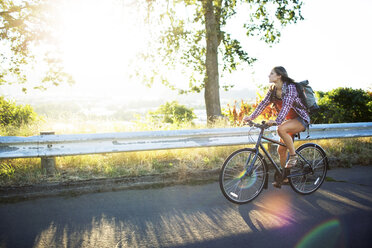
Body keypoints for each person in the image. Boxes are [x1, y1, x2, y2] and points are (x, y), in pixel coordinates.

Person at [243, 66, 310, 187]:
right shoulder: (273, 89)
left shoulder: (291, 88)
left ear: (279, 75)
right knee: (281, 150)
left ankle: (294, 157)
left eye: (271, 73)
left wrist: (277, 121)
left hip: (301, 119)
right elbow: (263, 104)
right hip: (289, 120)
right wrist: (250, 117)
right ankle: (285, 177)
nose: (269, 75)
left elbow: (287, 106)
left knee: (281, 129)